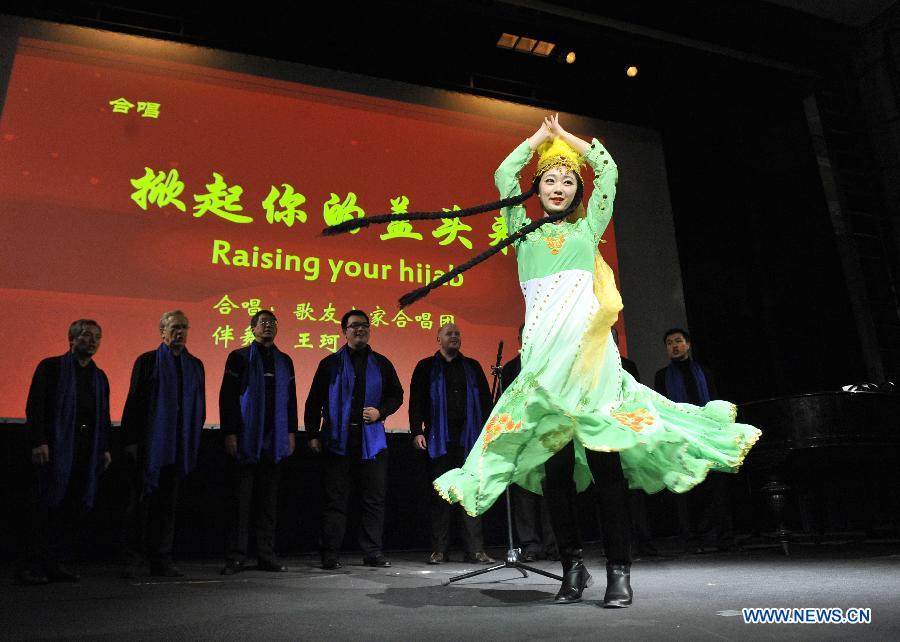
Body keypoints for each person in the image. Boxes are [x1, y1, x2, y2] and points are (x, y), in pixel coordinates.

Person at [429, 115, 760, 607]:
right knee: (557, 476)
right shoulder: (521, 232)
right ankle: (572, 567)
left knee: (608, 472)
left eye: (567, 180)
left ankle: (620, 572)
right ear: (536, 189)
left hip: (592, 366)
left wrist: (568, 140)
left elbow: (607, 170)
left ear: (576, 190)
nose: (558, 186)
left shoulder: (589, 229)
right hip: (544, 370)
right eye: (548, 179)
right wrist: (539, 140)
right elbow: (503, 175)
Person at [304, 310, 404, 570]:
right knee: (335, 500)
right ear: (344, 331)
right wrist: (313, 434)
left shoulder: (381, 363)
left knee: (373, 500)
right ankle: (330, 554)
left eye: (364, 325)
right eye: (354, 326)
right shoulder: (330, 363)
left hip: (372, 442)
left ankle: (372, 553)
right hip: (338, 440)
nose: (360, 329)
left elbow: (397, 394)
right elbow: (314, 401)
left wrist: (381, 411)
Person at [17, 320, 111, 585]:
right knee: (43, 506)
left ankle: (53, 564)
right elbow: (35, 406)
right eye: (85, 335)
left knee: (69, 508)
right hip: (54, 447)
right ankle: (28, 566)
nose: (91, 341)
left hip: (84, 450)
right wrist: (39, 441)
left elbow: (101, 416)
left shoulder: (99, 377)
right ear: (71, 339)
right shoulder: (52, 367)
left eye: (96, 337)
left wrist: (104, 448)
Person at [120, 310, 205, 578]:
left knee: (168, 506)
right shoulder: (147, 361)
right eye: (174, 327)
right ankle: (134, 559)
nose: (179, 332)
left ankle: (162, 558)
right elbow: (133, 403)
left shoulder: (195, 365)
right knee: (141, 505)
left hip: (179, 445)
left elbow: (199, 406)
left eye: (184, 327)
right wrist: (131, 441)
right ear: (162, 332)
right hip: (149, 444)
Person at [409, 323, 495, 565]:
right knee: (442, 497)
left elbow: (486, 402)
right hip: (438, 439)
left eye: (457, 333)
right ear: (438, 339)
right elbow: (416, 401)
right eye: (449, 333)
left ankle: (475, 550)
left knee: (471, 495)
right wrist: (417, 431)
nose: (454, 336)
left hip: (470, 440)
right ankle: (439, 550)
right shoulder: (426, 367)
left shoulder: (473, 367)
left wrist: (490, 434)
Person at [219, 310, 297, 575]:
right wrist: (229, 432)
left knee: (268, 502)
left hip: (274, 439)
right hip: (245, 437)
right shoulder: (238, 357)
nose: (268, 326)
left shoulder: (285, 360)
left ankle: (266, 554)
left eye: (273, 322)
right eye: (263, 323)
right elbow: (227, 398)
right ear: (252, 329)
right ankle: (236, 556)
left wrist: (290, 433)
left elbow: (291, 400)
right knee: (240, 502)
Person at [654, 328, 735, 552]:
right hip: (680, 438)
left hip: (708, 436)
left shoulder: (704, 372)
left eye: (678, 341)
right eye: (669, 343)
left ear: (688, 344)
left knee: (716, 488)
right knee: (684, 490)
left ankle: (723, 537)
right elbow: (662, 408)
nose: (674, 346)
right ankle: (691, 539)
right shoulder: (662, 377)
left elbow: (716, 404)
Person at [505, 323, 558, 562]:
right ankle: (530, 545)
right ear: (519, 339)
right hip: (521, 436)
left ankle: (554, 543)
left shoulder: (553, 363)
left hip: (547, 435)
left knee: (551, 490)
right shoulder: (509, 368)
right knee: (523, 492)